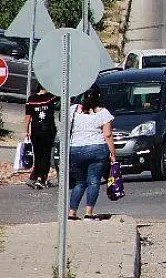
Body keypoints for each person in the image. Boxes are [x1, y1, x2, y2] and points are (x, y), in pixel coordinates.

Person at [68, 86, 118, 220]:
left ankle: (72, 213)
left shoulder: (73, 110)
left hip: (76, 149)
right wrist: (113, 155)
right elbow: (107, 135)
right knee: (94, 181)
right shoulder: (103, 112)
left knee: (79, 182)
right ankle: (88, 213)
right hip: (97, 149)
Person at [24, 84, 60, 189]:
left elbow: (28, 117)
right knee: (46, 155)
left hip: (35, 131)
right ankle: (41, 178)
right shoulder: (50, 97)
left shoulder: (31, 99)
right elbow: (61, 96)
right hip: (48, 131)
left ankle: (35, 177)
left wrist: (26, 130)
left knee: (38, 155)